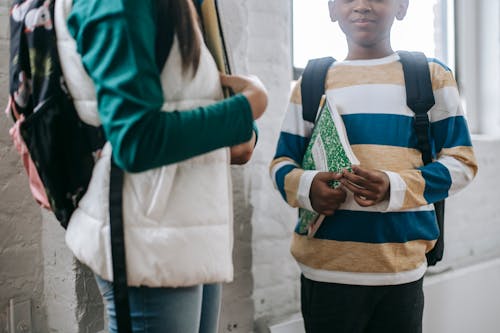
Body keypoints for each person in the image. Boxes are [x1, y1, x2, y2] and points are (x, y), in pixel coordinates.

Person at [53, 0, 267, 332]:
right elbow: (136, 138)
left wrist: (239, 126)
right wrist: (247, 108)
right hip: (149, 233)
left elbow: (184, 97)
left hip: (185, 226)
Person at [270, 0, 478, 332]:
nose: (362, 6)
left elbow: (462, 163)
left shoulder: (430, 77)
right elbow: (282, 164)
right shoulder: (312, 83)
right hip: (325, 272)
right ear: (331, 8)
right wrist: (309, 188)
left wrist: (393, 187)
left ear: (402, 6)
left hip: (399, 273)